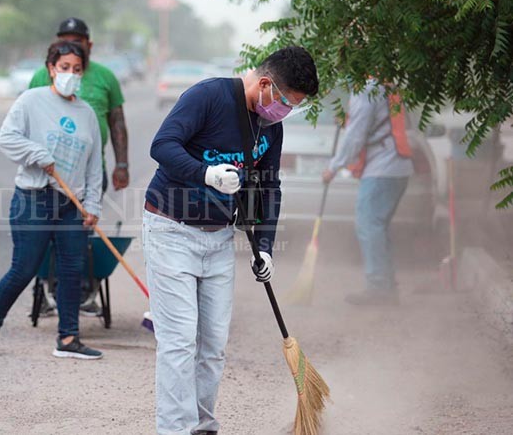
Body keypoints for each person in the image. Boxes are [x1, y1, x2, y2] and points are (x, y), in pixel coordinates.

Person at [143, 46, 319, 434]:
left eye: (293, 107)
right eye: (286, 102)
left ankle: (203, 426)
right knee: (179, 342)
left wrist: (266, 248)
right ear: (266, 84)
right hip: (171, 230)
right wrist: (206, 174)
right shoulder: (208, 96)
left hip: (219, 237)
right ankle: (175, 429)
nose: (285, 111)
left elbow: (270, 187)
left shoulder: (270, 126)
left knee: (213, 346)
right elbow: (162, 146)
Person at [0, 40, 104, 360]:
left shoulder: (87, 114)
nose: (71, 74)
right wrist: (36, 154)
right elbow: (7, 138)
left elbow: (95, 165)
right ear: (51, 68)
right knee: (24, 268)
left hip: (72, 204)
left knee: (72, 270)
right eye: (64, 67)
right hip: (34, 198)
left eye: (77, 69)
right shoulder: (31, 101)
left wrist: (92, 207)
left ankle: (68, 338)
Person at [28, 17, 130, 315]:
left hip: (89, 173)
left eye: (77, 40)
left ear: (89, 45)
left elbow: (117, 122)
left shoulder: (105, 77)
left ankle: (81, 291)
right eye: (64, 40)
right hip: (48, 175)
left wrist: (121, 164)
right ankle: (48, 287)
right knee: (44, 234)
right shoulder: (40, 76)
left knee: (78, 233)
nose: (70, 45)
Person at [322, 81, 413, 305]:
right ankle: (387, 287)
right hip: (396, 167)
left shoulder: (366, 89)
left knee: (369, 225)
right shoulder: (385, 83)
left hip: (383, 168)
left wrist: (333, 167)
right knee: (377, 227)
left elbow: (355, 136)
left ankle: (380, 288)